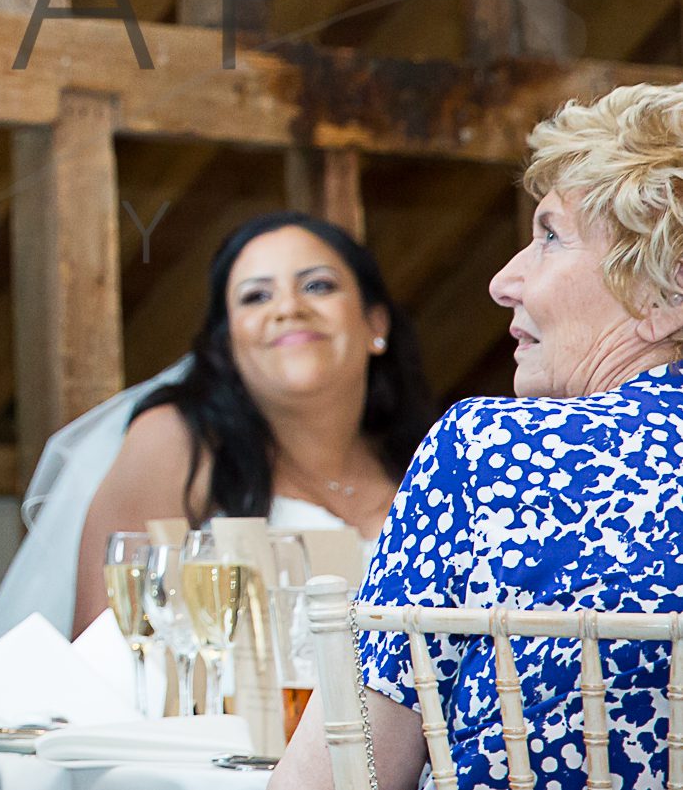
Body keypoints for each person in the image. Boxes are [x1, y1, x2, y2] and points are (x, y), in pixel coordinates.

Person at [273, 85, 683, 790]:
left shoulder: (491, 451)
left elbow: (340, 777)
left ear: (664, 292)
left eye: (551, 234)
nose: (502, 280)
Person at [0, 211, 433, 653]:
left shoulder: (427, 461)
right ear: (228, 340)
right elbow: (108, 646)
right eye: (256, 296)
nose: (289, 308)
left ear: (376, 323)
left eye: (317, 286)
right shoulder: (179, 441)